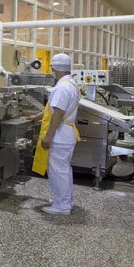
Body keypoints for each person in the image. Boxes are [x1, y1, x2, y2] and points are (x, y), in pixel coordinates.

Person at [30, 53, 81, 215]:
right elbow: (53, 109)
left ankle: (62, 205)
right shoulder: (70, 83)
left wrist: (48, 136)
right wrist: (36, 117)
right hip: (66, 134)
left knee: (58, 170)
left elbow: (58, 113)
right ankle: (64, 199)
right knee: (63, 169)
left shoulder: (62, 87)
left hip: (60, 135)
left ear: (54, 68)